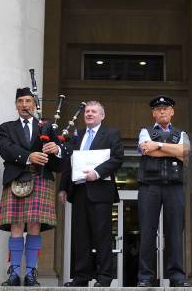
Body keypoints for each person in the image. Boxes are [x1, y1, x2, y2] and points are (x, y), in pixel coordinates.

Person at [0, 87, 64, 286]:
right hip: (17, 177)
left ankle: (32, 273)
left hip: (40, 178)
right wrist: (28, 156)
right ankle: (15, 273)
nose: (24, 105)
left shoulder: (47, 126)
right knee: (16, 225)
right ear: (16, 105)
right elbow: (5, 149)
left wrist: (57, 149)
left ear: (35, 104)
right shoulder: (6, 127)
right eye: (20, 102)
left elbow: (59, 162)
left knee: (34, 225)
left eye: (28, 101)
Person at [59, 101, 124, 287]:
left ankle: (104, 278)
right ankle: (81, 277)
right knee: (80, 237)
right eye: (87, 111)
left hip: (101, 192)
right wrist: (63, 187)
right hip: (79, 191)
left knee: (102, 236)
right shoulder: (77, 135)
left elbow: (118, 158)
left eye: (93, 111)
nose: (89, 114)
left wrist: (97, 172)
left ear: (102, 116)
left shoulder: (111, 133)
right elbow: (68, 161)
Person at [137, 95, 190, 287]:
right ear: (153, 113)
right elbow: (145, 150)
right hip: (149, 187)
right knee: (147, 233)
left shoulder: (181, 133)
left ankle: (177, 277)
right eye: (158, 109)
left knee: (175, 233)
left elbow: (185, 153)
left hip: (174, 187)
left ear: (172, 111)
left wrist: (158, 145)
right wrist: (173, 149)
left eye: (165, 108)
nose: (162, 111)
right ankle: (145, 277)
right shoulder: (145, 131)